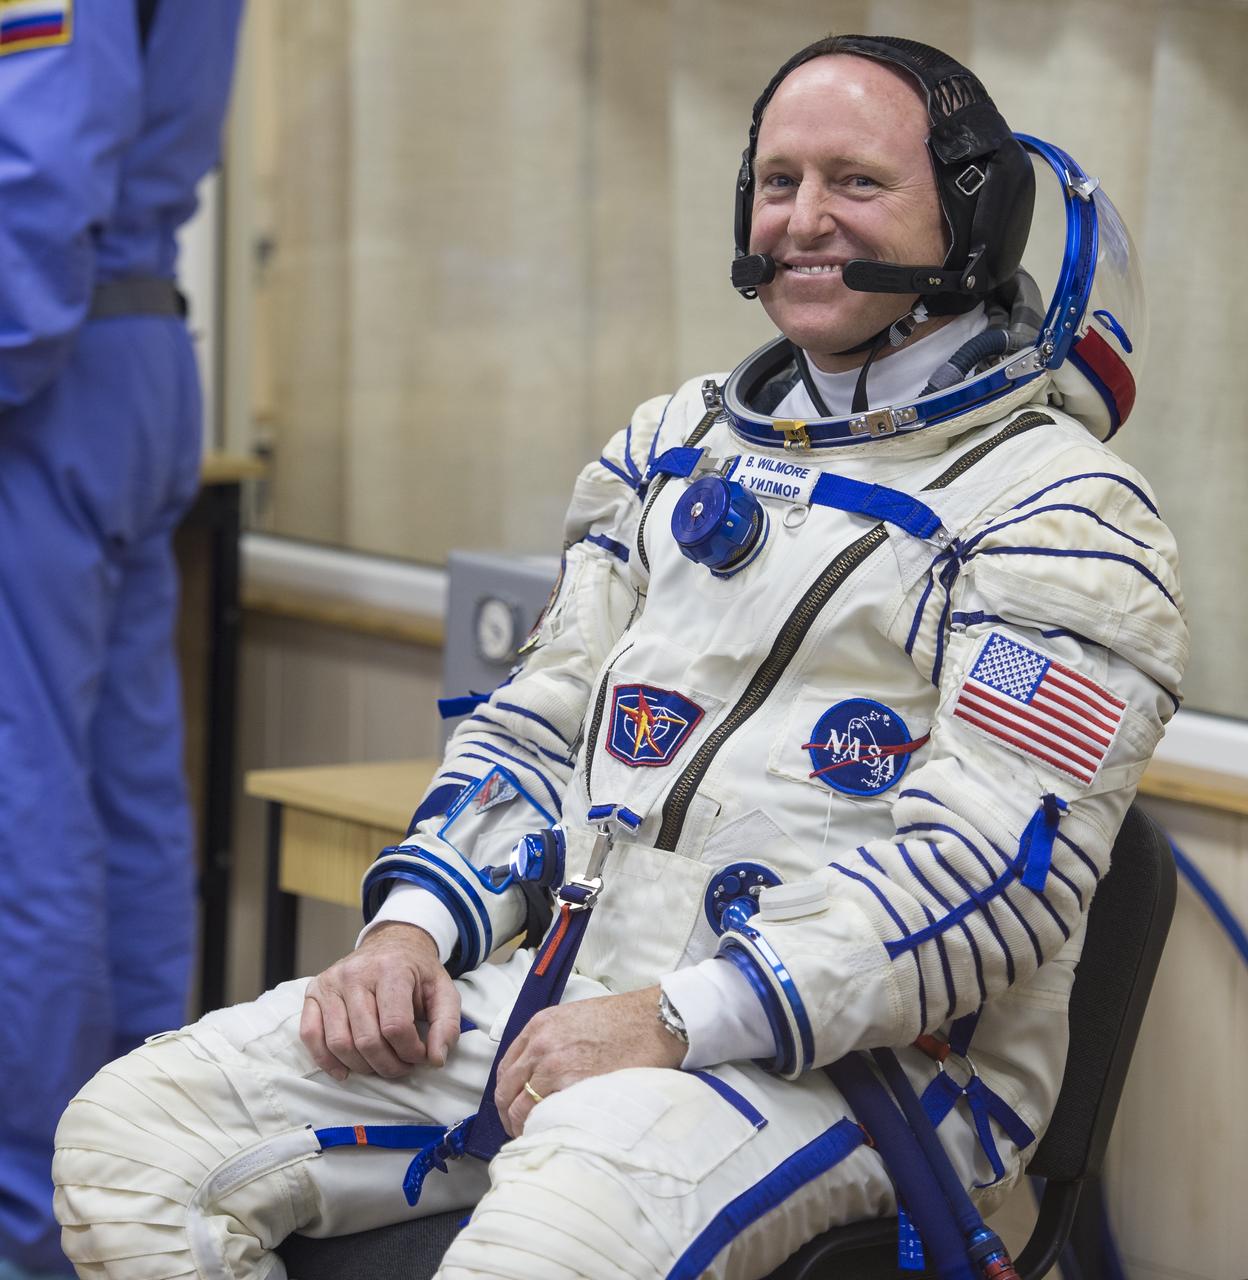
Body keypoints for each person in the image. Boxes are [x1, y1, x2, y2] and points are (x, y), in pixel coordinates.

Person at [53, 33, 1186, 1280]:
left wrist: (676, 1016)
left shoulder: (1066, 516)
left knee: (541, 1246)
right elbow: (537, 728)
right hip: (571, 988)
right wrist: (414, 929)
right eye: (777, 180)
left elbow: (990, 878)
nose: (804, 217)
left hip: (855, 1068)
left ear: (973, 220)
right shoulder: (672, 448)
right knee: (129, 1141)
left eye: (855, 183)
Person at [0, 4, 245, 1277]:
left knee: (22, 814)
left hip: (40, 367)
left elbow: (38, 168)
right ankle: (136, 1188)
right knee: (124, 791)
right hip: (133, 343)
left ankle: (27, 1226)